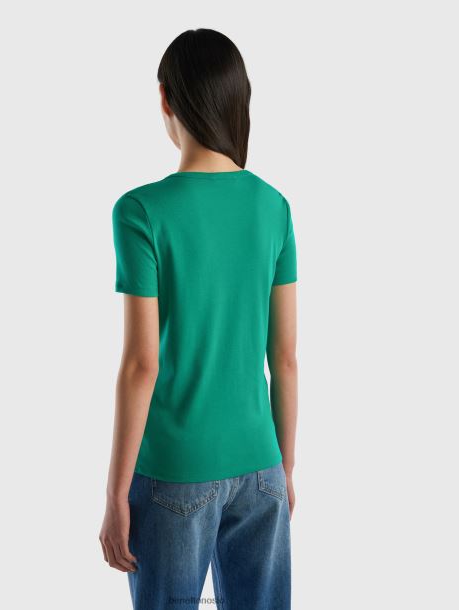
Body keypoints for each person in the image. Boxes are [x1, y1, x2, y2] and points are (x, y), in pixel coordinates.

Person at [99, 28, 298, 610]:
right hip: (261, 464)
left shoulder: (141, 211)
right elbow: (284, 358)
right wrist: (284, 469)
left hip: (174, 469)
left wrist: (115, 494)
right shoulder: (274, 207)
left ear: (165, 98)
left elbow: (141, 365)